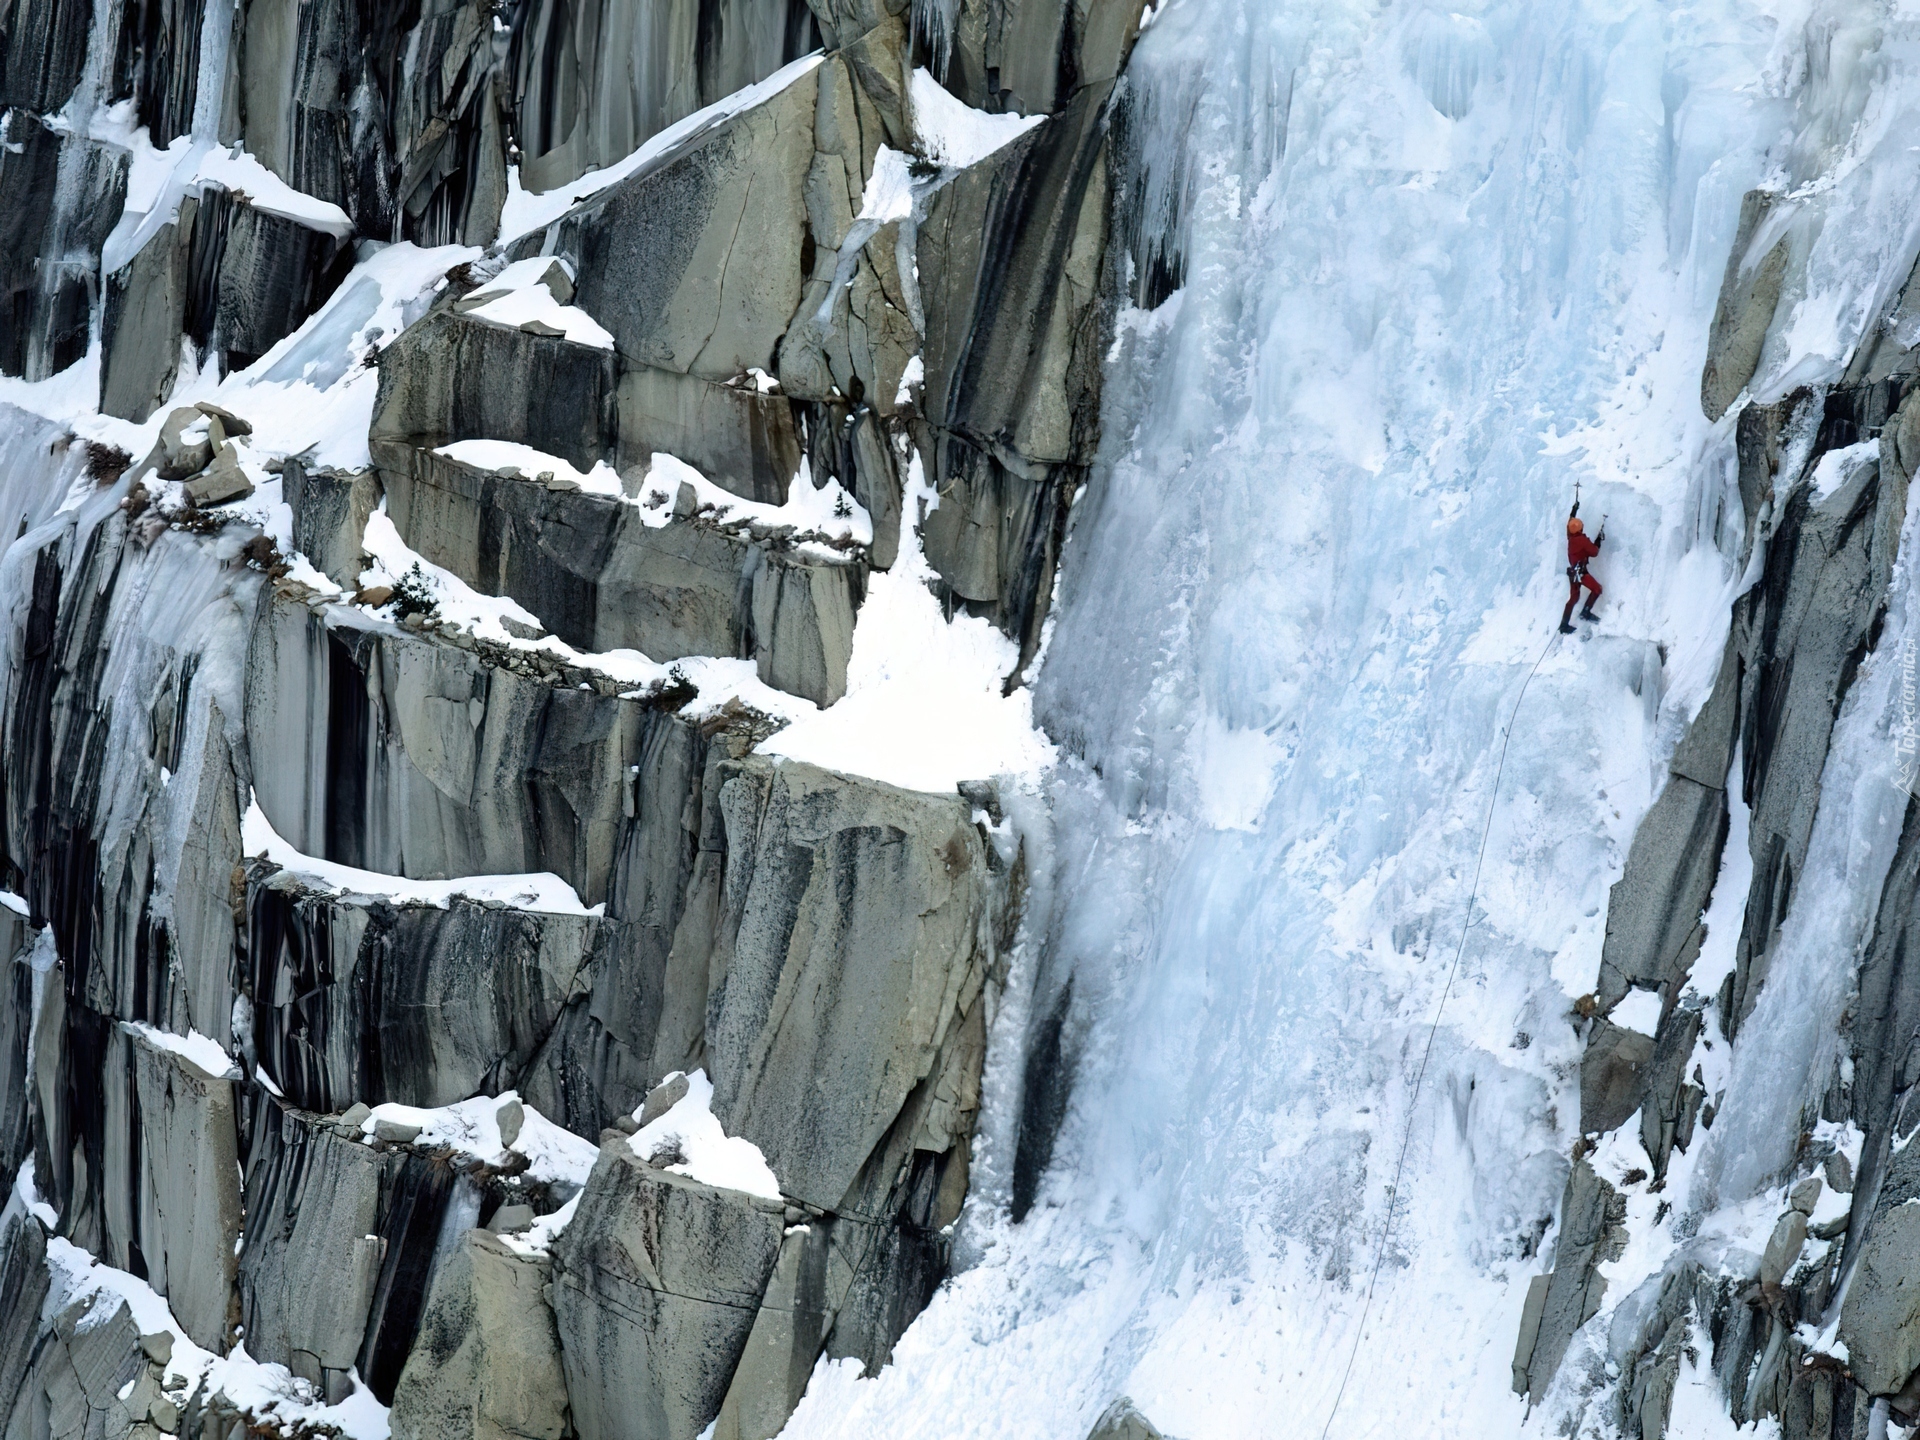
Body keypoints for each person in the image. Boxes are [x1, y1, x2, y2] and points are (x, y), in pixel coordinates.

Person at [1560, 505, 1602, 634]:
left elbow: (1569, 524)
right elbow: (1594, 552)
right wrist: (1599, 539)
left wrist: (1574, 509)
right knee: (1597, 589)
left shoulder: (1570, 537)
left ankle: (1564, 625)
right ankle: (1586, 612)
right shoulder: (1581, 540)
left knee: (1574, 598)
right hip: (1581, 573)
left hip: (1573, 572)